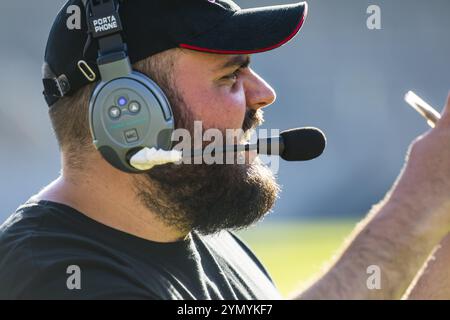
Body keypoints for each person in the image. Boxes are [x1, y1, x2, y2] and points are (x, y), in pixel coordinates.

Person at [0, 0, 449, 300]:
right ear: (131, 117)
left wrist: (439, 243)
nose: (264, 94)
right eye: (229, 75)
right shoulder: (53, 276)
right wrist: (419, 199)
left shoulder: (205, 242)